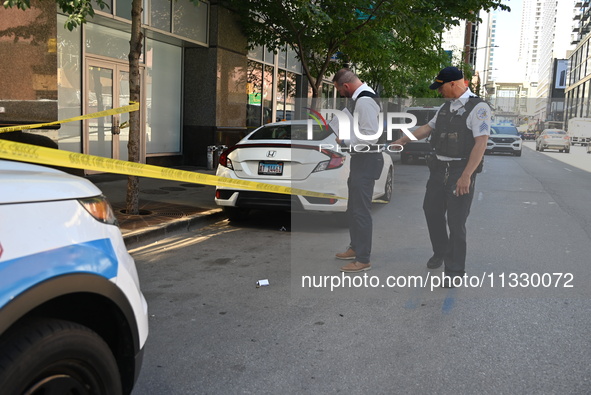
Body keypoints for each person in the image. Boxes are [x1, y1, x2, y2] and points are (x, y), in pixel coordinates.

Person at [392, 66, 492, 287]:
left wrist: (467, 175)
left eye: (441, 87)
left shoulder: (479, 108)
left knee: (456, 222)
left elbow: (481, 143)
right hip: (439, 169)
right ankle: (440, 251)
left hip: (460, 171)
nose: (439, 92)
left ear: (454, 84)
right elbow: (427, 128)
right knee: (432, 211)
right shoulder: (447, 107)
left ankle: (455, 271)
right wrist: (404, 139)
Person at [332, 68, 384, 273]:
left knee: (361, 211)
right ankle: (355, 248)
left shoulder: (364, 100)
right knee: (354, 208)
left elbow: (370, 136)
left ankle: (363, 259)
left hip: (367, 159)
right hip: (361, 160)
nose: (341, 94)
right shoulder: (362, 98)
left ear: (346, 86)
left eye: (340, 90)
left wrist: (344, 140)